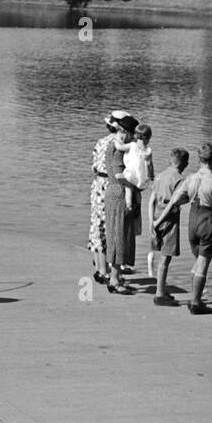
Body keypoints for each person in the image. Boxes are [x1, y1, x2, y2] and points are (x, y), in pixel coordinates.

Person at [154, 142, 212, 315]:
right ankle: (196, 303)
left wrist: (157, 223)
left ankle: (195, 297)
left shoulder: (190, 179)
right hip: (208, 219)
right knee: (203, 262)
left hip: (192, 219)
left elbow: (174, 201)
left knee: (197, 260)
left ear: (200, 160)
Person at [90, 110, 129, 283]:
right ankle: (108, 271)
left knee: (96, 225)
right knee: (110, 226)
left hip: (97, 183)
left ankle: (100, 269)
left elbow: (93, 166)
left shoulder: (100, 142)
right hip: (110, 184)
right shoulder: (119, 144)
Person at [103, 114, 140, 293]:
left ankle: (115, 276)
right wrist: (134, 184)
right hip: (118, 193)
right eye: (131, 135)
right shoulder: (117, 149)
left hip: (112, 192)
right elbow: (118, 175)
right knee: (119, 236)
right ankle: (114, 281)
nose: (132, 138)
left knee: (117, 235)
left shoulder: (112, 145)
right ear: (125, 132)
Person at [148, 147, 189, 306]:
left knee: (160, 255)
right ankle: (159, 294)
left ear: (169, 160)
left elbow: (151, 200)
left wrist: (151, 222)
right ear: (183, 164)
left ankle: (162, 289)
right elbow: (173, 205)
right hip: (169, 220)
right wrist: (159, 223)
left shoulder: (160, 175)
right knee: (165, 257)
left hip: (156, 216)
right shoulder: (179, 179)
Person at [123, 122, 154, 273]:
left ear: (136, 135)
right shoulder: (148, 151)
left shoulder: (131, 146)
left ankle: (121, 263)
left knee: (125, 225)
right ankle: (125, 262)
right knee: (130, 227)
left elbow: (119, 148)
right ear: (149, 137)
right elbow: (151, 174)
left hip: (130, 180)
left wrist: (115, 141)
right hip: (140, 184)